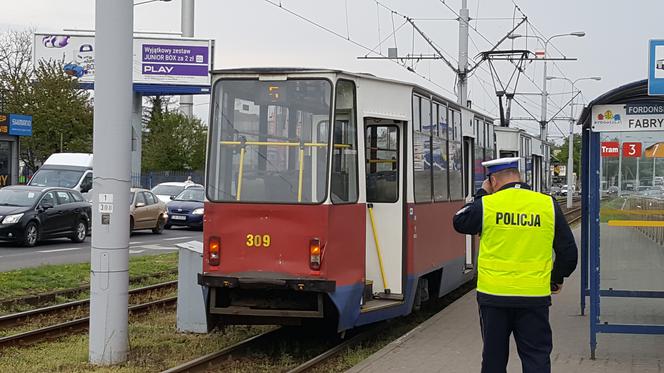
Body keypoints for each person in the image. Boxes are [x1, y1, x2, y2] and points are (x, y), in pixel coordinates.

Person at [453, 157, 578, 373]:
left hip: (493, 297)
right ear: (518, 177)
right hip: (534, 297)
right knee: (536, 357)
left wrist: (481, 195)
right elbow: (569, 253)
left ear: (492, 180)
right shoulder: (547, 204)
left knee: (494, 358)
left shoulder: (487, 205)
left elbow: (459, 221)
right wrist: (555, 279)